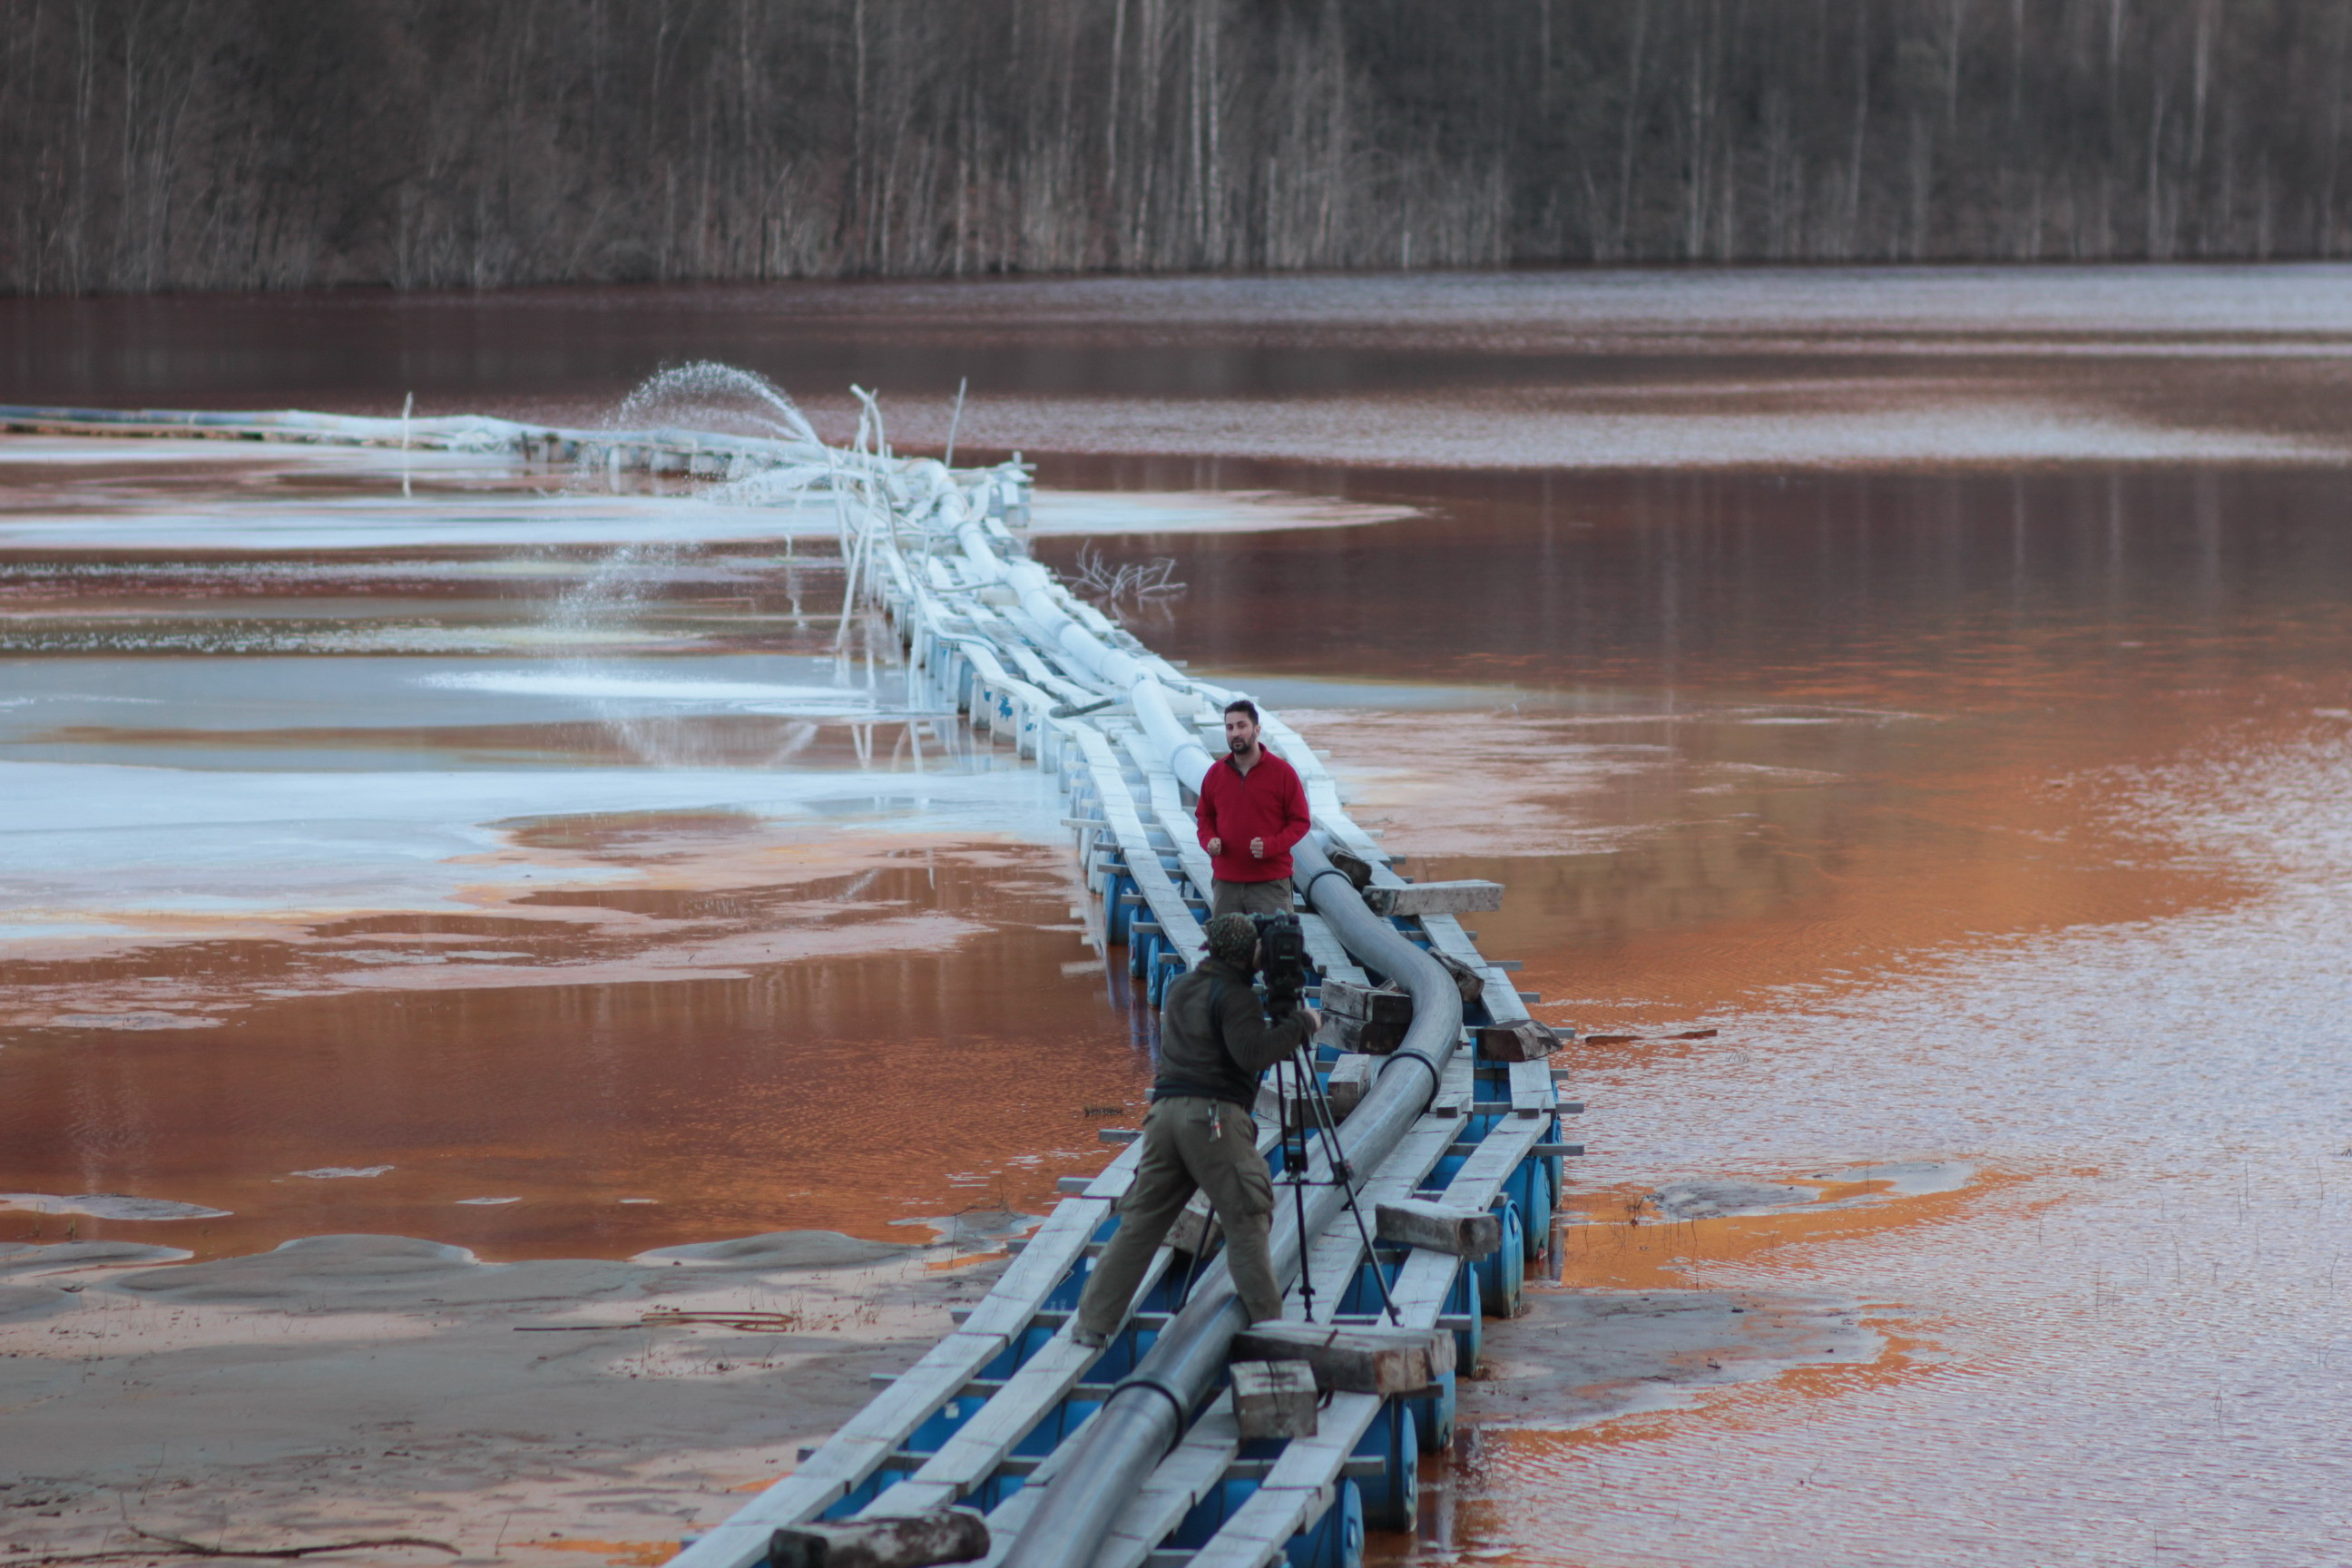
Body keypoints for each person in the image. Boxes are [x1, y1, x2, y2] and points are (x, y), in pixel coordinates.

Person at [1071, 913, 1319, 1348]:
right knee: (1246, 1214)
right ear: (1249, 955)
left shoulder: (1182, 987)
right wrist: (1302, 1025)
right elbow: (1253, 1054)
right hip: (1212, 1121)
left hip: (1164, 1117)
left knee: (1142, 1222)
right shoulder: (1236, 996)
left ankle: (1091, 1324)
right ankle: (1270, 1327)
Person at [1196, 699, 1310, 918]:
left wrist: (1271, 846)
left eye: (1242, 726)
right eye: (1229, 727)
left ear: (1257, 730)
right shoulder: (1215, 774)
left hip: (1270, 885)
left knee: (1274, 950)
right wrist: (1208, 840)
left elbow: (1301, 822)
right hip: (1226, 885)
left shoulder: (1283, 773)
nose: (1235, 733)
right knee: (1226, 951)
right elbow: (1204, 817)